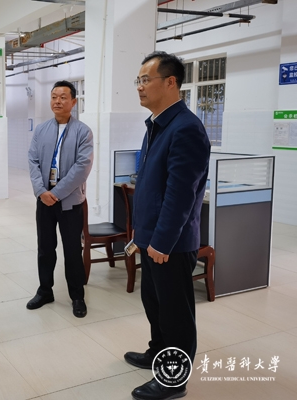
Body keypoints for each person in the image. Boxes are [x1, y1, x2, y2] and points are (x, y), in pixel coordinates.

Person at [124, 51, 210, 400]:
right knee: (154, 302)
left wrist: (160, 241)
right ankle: (157, 352)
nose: (140, 87)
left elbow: (180, 195)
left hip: (170, 244)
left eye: (146, 80)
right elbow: (151, 186)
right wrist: (141, 234)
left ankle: (173, 379)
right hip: (152, 238)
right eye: (138, 80)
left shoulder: (186, 128)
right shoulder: (157, 124)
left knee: (175, 313)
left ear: (171, 82)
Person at [26, 80, 94, 318]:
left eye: (63, 97)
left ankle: (77, 296)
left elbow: (82, 168)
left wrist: (56, 193)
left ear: (73, 102)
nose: (57, 101)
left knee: (73, 250)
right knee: (45, 248)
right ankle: (45, 291)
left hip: (70, 201)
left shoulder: (83, 132)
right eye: (54, 96)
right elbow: (33, 161)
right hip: (44, 199)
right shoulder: (41, 130)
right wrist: (41, 191)